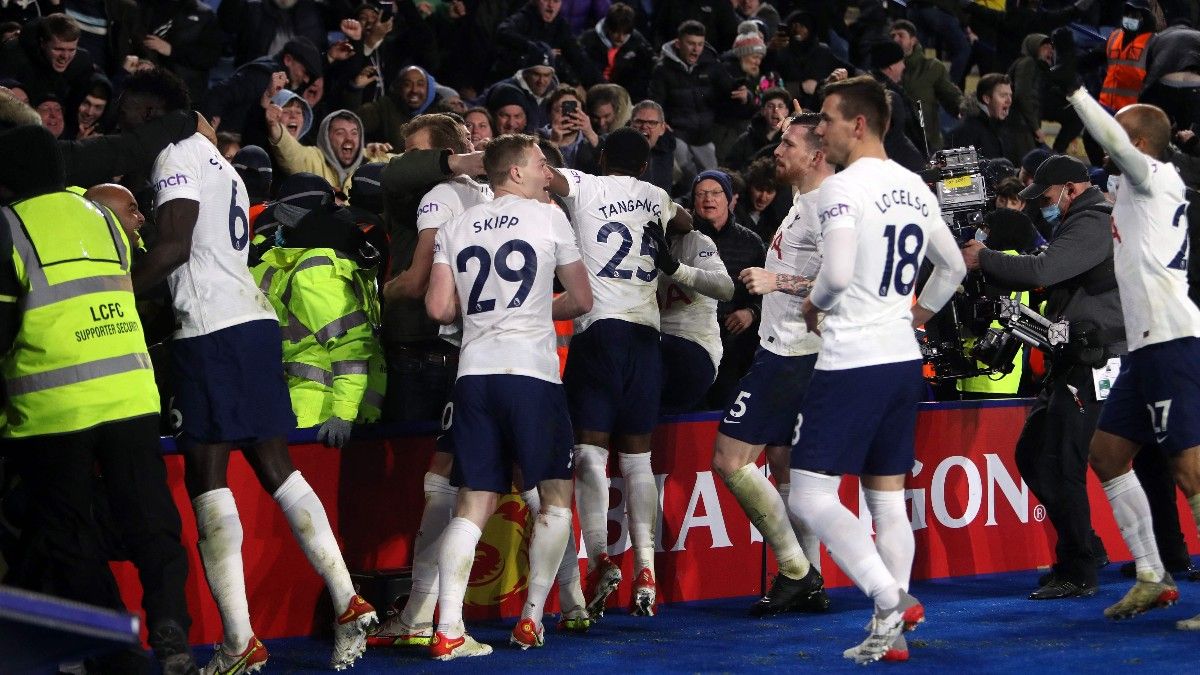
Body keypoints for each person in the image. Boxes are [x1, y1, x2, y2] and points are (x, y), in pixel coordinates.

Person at [120, 68, 377, 672]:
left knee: (207, 474)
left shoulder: (175, 157)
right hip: (251, 324)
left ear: (157, 111)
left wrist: (115, 293)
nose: (124, 124)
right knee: (273, 464)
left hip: (211, 330)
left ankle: (238, 641)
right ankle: (345, 596)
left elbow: (177, 244)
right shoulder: (217, 162)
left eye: (132, 113)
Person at [0, 124, 199, 675]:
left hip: (51, 407)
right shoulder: (105, 218)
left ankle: (118, 649)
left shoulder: (8, 227)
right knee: (149, 516)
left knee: (66, 534)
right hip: (130, 394)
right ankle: (169, 623)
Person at [790, 76, 965, 664]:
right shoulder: (915, 185)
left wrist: (814, 303)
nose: (822, 132)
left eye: (829, 122)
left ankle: (890, 599)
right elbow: (953, 270)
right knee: (886, 498)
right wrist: (915, 315)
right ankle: (892, 636)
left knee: (809, 497)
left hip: (852, 361)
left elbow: (836, 276)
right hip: (900, 359)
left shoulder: (843, 189)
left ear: (857, 124)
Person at [425, 133, 593, 658]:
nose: (550, 173)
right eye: (542, 164)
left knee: (473, 503)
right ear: (516, 172)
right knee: (556, 500)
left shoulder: (454, 226)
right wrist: (531, 311)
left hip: (474, 376)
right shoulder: (549, 219)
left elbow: (437, 309)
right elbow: (582, 299)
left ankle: (448, 628)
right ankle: (532, 618)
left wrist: (485, 313)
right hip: (532, 375)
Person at [1061, 78, 1200, 628]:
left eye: (1121, 133)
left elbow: (1116, 145)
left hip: (1172, 340)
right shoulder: (1134, 192)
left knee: (1190, 472)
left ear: (1138, 145)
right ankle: (1150, 575)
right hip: (1146, 348)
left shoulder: (1154, 176)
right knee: (1107, 454)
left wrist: (1076, 93)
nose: (1109, 144)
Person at [961, 154, 1124, 600]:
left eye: (1048, 198)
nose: (1042, 207)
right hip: (1069, 358)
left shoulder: (1093, 220)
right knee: (1034, 453)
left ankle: (1080, 569)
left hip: (1093, 360)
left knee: (1063, 464)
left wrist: (985, 258)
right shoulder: (1080, 220)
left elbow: (1043, 270)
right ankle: (1085, 547)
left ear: (1070, 189)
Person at [547, 127, 692, 617]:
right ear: (646, 167)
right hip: (645, 338)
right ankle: (646, 569)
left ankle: (601, 558)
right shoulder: (656, 195)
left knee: (589, 449)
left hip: (600, 335)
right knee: (637, 458)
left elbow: (547, 177)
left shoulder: (585, 184)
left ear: (602, 156)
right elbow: (686, 220)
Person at [370, 113, 493, 649]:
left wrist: (373, 298)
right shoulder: (487, 199)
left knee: (434, 481)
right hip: (475, 353)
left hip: (427, 347)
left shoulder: (438, 196)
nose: (403, 160)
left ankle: (431, 614)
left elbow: (422, 283)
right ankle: (433, 611)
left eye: (412, 151)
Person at [716, 113, 833, 618]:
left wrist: (776, 283)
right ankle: (807, 581)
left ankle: (796, 570)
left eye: (788, 144)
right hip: (784, 347)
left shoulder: (827, 205)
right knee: (787, 470)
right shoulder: (804, 200)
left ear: (816, 155)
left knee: (730, 459)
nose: (777, 150)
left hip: (791, 354)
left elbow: (841, 284)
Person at [251, 203, 387, 439]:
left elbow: (349, 342)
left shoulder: (315, 268)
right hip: (354, 411)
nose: (280, 233)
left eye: (287, 227)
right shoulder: (348, 266)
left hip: (318, 414)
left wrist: (343, 414)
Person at [691, 169, 766, 410]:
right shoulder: (678, 238)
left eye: (715, 193)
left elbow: (768, 294)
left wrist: (751, 312)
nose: (708, 199)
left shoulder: (751, 242)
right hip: (689, 344)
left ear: (729, 198)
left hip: (734, 348)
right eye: (701, 194)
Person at [657, 219, 736, 414]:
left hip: (695, 347)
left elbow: (725, 288)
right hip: (654, 343)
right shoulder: (628, 245)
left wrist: (675, 269)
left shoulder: (693, 241)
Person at [649, 20, 736, 186]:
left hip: (704, 136)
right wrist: (661, 122)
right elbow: (656, 101)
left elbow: (729, 89)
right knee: (688, 177)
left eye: (700, 44)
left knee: (713, 181)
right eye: (691, 44)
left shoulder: (712, 65)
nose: (696, 49)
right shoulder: (662, 69)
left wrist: (743, 94)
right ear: (678, 43)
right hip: (677, 134)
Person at [889, 19, 963, 153]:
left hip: (928, 144)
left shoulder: (932, 67)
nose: (895, 39)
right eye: (892, 36)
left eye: (900, 35)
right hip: (895, 145)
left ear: (914, 40)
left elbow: (950, 96)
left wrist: (962, 108)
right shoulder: (884, 70)